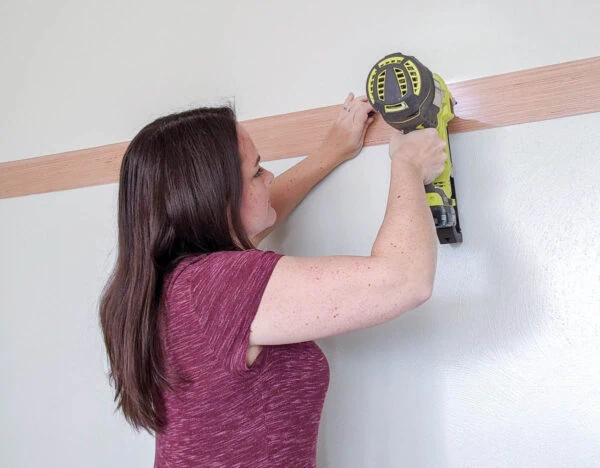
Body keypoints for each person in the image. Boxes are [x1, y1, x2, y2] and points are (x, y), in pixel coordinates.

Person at [99, 93, 447, 467]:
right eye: (256, 171)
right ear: (215, 200)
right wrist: (408, 164)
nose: (269, 178)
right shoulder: (217, 286)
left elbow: (259, 211)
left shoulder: (172, 282)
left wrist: (332, 151)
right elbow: (405, 278)